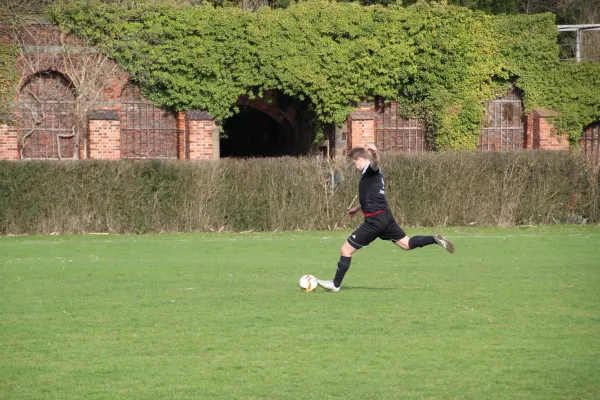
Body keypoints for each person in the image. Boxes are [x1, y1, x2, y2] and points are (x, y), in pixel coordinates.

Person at [317, 144, 455, 292]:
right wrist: (357, 208)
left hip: (374, 221)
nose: (354, 165)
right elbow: (371, 196)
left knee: (345, 250)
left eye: (354, 162)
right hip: (385, 216)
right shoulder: (368, 175)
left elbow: (376, 164)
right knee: (406, 244)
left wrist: (375, 153)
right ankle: (434, 239)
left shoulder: (370, 169)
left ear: (359, 159)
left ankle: (335, 284)